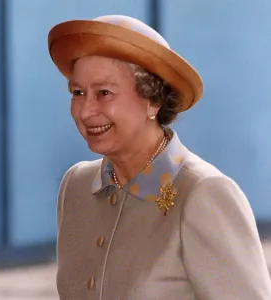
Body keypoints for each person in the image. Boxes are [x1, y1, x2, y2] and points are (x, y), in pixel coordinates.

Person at [48, 15, 271, 300]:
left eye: (104, 93)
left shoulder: (204, 194)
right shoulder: (76, 186)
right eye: (78, 92)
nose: (86, 111)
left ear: (152, 99)